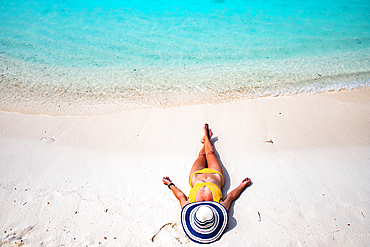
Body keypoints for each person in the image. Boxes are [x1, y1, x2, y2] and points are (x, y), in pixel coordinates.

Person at [162, 123, 251, 244]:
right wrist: (242, 185)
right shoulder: (221, 208)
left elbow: (181, 196)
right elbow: (230, 197)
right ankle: (206, 137)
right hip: (215, 175)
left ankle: (206, 137)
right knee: (210, 154)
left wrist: (170, 184)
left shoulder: (188, 207)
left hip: (196, 176)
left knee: (201, 154)